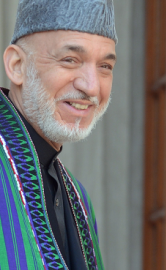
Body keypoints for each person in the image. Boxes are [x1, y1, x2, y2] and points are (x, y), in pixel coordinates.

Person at [0, 0, 117, 269]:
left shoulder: (79, 200)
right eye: (70, 60)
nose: (91, 86)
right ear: (17, 65)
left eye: (105, 67)